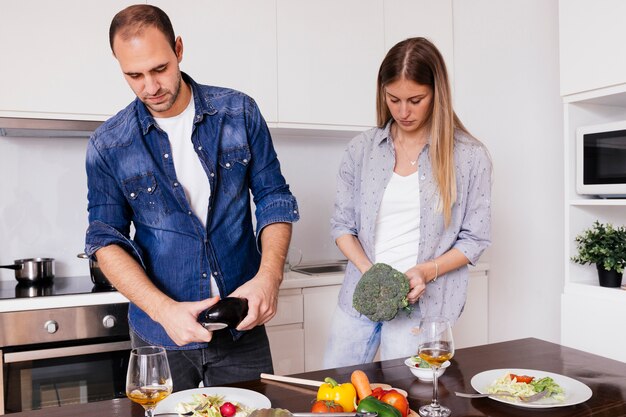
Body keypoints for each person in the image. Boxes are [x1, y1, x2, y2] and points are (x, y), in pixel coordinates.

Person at [84, 4, 299, 390]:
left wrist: (269, 277)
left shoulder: (239, 112)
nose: (150, 86)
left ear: (178, 49)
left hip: (240, 329)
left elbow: (274, 199)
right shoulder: (108, 145)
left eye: (159, 68)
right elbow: (104, 240)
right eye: (134, 75)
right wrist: (164, 311)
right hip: (159, 336)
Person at [324, 37, 491, 367]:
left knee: (405, 400)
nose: (403, 111)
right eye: (393, 99)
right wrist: (371, 275)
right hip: (359, 299)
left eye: (416, 100)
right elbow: (342, 226)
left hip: (422, 308)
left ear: (437, 94)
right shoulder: (362, 150)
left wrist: (426, 272)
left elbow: (475, 238)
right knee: (334, 392)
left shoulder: (470, 157)